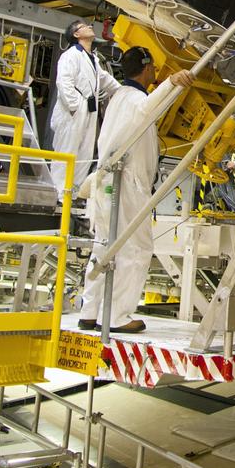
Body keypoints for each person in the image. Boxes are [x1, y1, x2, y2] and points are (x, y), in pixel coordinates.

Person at [77, 47, 193, 334]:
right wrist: (172, 83)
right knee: (136, 248)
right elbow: (146, 111)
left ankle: (89, 312)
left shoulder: (119, 97)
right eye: (153, 67)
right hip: (126, 185)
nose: (156, 71)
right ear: (146, 68)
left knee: (104, 246)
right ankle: (117, 316)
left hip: (106, 184)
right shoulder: (137, 99)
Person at [49, 19, 119, 203]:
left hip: (88, 110)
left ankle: (74, 192)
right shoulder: (70, 55)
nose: (89, 26)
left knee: (85, 152)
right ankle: (59, 192)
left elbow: (105, 79)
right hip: (73, 111)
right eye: (84, 26)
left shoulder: (93, 59)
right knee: (67, 151)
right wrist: (74, 107)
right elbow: (64, 82)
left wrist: (124, 92)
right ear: (76, 34)